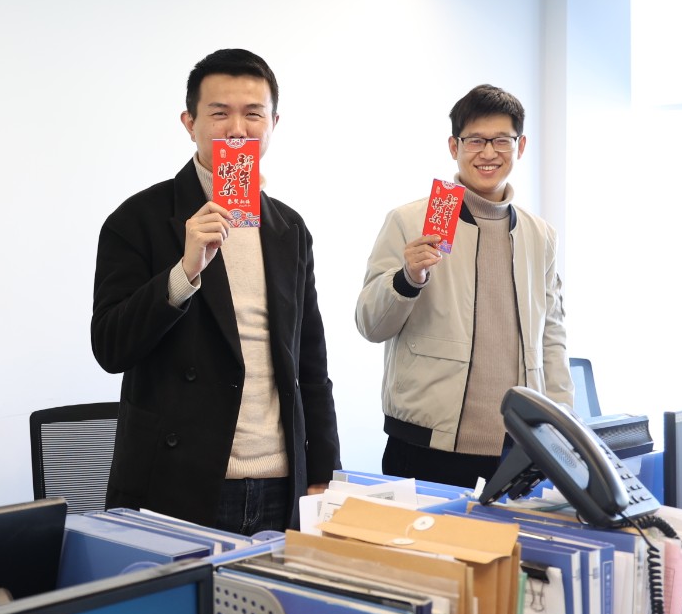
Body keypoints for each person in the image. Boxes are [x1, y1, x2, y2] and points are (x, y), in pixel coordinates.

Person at [91, 48, 340, 534]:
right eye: (219, 113)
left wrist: (324, 470)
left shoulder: (289, 227)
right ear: (190, 123)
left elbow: (311, 361)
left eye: (253, 114)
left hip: (280, 478)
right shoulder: (138, 219)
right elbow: (110, 346)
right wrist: (184, 271)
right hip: (180, 479)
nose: (237, 129)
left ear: (274, 124)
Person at [354, 83, 569, 489]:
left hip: (517, 444)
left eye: (501, 140)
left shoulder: (540, 235)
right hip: (426, 443)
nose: (488, 153)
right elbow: (370, 323)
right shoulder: (411, 221)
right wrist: (407, 279)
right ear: (454, 146)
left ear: (520, 146)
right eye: (475, 140)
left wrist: (562, 427)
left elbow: (552, 336)